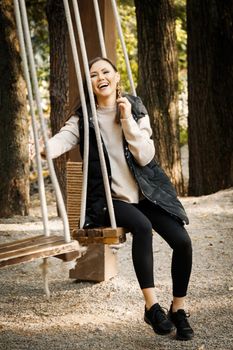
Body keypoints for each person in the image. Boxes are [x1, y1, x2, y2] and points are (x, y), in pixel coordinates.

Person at [47, 57, 194, 341]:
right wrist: (46, 149)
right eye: (92, 74)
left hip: (146, 193)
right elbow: (64, 139)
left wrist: (126, 118)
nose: (100, 76)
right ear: (89, 84)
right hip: (112, 201)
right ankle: (152, 307)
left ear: (116, 77)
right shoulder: (84, 118)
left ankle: (178, 308)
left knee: (183, 242)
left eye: (105, 71)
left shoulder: (135, 108)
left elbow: (145, 155)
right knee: (141, 227)